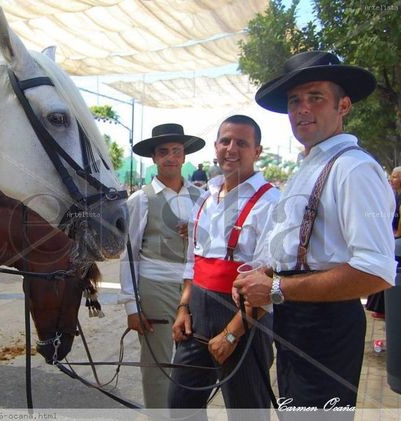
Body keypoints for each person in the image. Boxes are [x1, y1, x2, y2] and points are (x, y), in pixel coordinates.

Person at [234, 51, 396, 414]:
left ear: (344, 105)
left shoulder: (353, 169)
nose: (302, 108)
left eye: (315, 97)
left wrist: (275, 287)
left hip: (326, 325)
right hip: (295, 319)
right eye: (294, 100)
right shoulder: (310, 166)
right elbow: (290, 248)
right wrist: (262, 276)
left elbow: (376, 271)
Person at [168, 115, 279, 420]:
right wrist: (183, 307)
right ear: (215, 146)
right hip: (197, 318)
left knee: (247, 411)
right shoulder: (205, 198)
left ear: (257, 151)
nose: (231, 148)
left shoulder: (271, 202)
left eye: (242, 143)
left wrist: (232, 334)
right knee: (180, 405)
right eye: (225, 141)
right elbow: (193, 262)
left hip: (243, 322)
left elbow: (270, 279)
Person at [119, 123, 205, 408]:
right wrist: (132, 306)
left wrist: (196, 233)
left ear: (184, 157)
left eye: (176, 151)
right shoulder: (141, 199)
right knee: (157, 363)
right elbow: (128, 254)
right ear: (154, 158)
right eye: (163, 152)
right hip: (154, 286)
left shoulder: (201, 198)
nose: (170, 157)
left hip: (194, 287)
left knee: (193, 360)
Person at [365, 167, 401, 320]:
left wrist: (396, 235)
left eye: (395, 177)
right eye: (391, 177)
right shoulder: (394, 195)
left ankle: (384, 308)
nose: (391, 180)